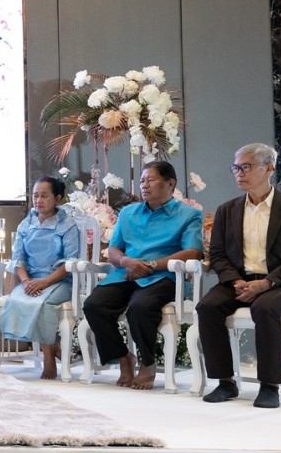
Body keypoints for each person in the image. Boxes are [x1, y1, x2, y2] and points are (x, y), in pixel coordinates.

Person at [197, 143, 281, 408]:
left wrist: (267, 282)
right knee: (207, 306)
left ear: (268, 168)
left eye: (246, 167)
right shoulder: (227, 210)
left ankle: (269, 387)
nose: (239, 173)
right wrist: (235, 280)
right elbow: (217, 254)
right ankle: (225, 382)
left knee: (264, 307)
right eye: (235, 168)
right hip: (238, 280)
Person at [82, 161, 203, 390]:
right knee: (93, 305)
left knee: (140, 306)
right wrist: (126, 262)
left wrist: (152, 265)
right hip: (126, 274)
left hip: (164, 277)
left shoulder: (189, 214)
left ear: (170, 183)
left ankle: (147, 362)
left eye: (151, 180)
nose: (144, 185)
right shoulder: (128, 212)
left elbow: (193, 252)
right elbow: (114, 250)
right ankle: (123, 357)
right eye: (142, 181)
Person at [0, 177, 81, 380]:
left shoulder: (67, 225)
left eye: (44, 196)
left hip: (60, 281)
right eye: (35, 196)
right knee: (15, 300)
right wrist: (26, 281)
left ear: (57, 198)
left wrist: (44, 282)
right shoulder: (26, 224)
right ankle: (53, 348)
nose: (38, 200)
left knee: (43, 303)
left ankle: (48, 357)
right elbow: (18, 258)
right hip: (31, 280)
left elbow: (69, 263)